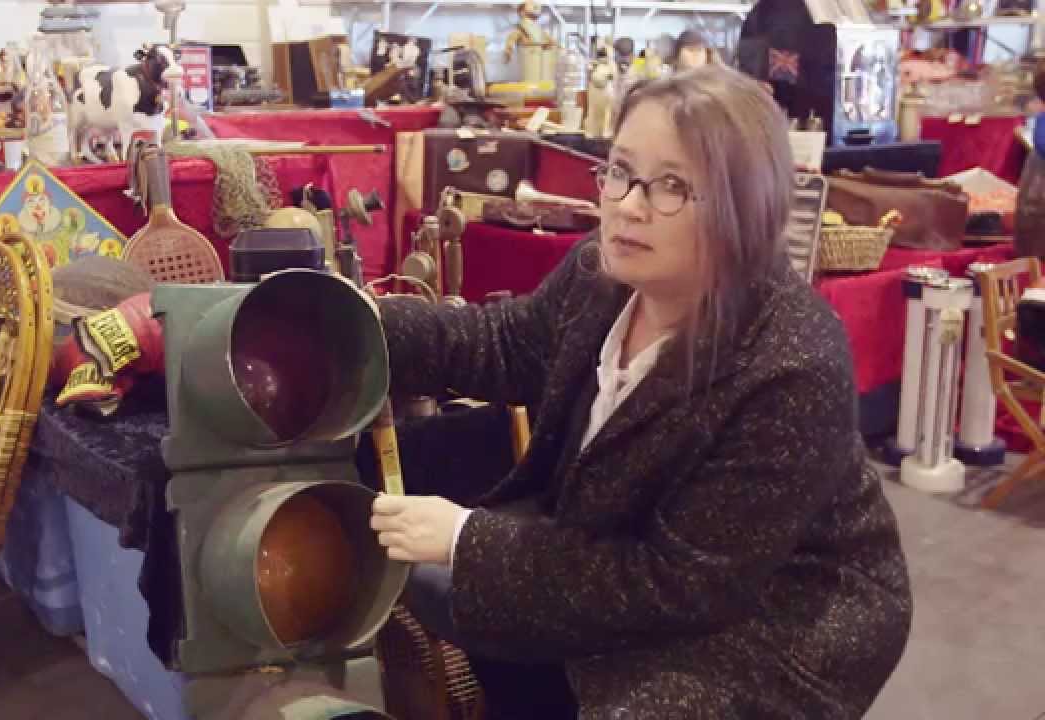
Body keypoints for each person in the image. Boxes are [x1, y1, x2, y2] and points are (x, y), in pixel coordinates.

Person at [369, 63, 912, 719]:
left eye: (673, 186)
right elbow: (504, 344)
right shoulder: (604, 275)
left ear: (744, 205)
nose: (627, 204)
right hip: (649, 550)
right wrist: (359, 326)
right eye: (621, 171)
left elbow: (678, 584)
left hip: (778, 610)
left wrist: (463, 537)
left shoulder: (791, 365)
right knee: (497, 611)